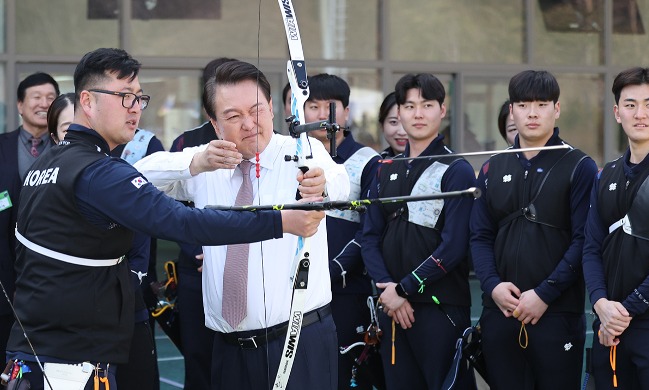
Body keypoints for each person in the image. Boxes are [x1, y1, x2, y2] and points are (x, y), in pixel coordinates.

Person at [5, 48, 325, 390]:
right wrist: (281, 222)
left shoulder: (49, 164)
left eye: (138, 98)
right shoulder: (97, 172)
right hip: (68, 362)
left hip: (38, 352)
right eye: (124, 97)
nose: (134, 109)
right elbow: (184, 223)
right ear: (87, 100)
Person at [135, 60, 349, 390]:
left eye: (257, 110)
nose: (249, 124)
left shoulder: (303, 150)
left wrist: (319, 185)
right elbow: (137, 178)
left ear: (273, 110)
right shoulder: (211, 160)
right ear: (215, 123)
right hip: (228, 346)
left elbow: (338, 183)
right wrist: (196, 162)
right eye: (234, 116)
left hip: (298, 339)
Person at [469, 70, 597, 390]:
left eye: (542, 104)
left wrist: (544, 293)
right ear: (511, 110)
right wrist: (493, 286)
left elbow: (584, 239)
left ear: (556, 109)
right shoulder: (492, 167)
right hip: (501, 311)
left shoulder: (579, 165)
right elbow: (480, 235)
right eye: (523, 105)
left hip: (556, 314)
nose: (533, 113)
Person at [360, 73, 476, 390]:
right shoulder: (385, 168)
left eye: (427, 105)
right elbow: (369, 236)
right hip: (391, 307)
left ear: (443, 109)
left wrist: (404, 289)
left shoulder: (457, 169)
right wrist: (387, 289)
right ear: (399, 112)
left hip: (440, 307)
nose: (418, 114)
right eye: (409, 106)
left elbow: (454, 247)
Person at [304, 73, 383, 390]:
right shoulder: (291, 157)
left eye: (331, 106)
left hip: (347, 291)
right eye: (313, 106)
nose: (322, 114)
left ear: (347, 112)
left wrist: (333, 270)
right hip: (297, 291)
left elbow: (370, 230)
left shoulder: (368, 161)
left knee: (346, 376)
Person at [167, 56, 238, 390]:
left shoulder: (264, 141)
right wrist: (201, 251)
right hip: (195, 268)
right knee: (199, 357)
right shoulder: (186, 143)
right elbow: (171, 209)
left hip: (246, 267)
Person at [583, 67, 649, 389]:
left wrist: (625, 310)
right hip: (608, 328)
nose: (640, 114)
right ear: (616, 112)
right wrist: (600, 304)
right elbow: (591, 247)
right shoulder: (606, 174)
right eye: (631, 104)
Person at [0, 72, 59, 367]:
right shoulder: (1, 146)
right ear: (21, 105)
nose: (44, 104)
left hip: (53, 275)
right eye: (36, 97)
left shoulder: (68, 150)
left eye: (51, 98)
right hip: (4, 271)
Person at [110, 129, 164, 390]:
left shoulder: (146, 144)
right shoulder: (64, 165)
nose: (132, 108)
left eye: (137, 99)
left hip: (135, 285)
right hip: (85, 298)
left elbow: (163, 210)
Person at [378, 92, 407, 158]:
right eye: (393, 122)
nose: (402, 132)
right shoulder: (376, 164)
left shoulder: (434, 161)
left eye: (407, 122)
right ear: (382, 125)